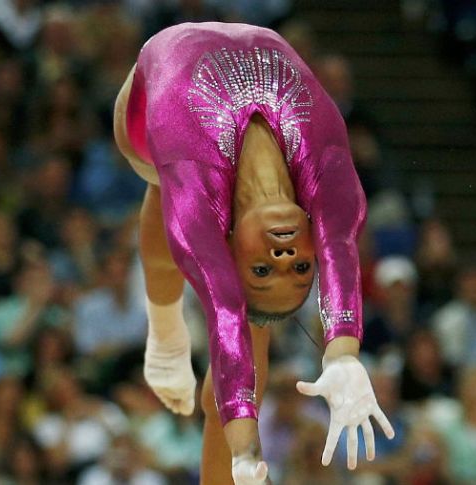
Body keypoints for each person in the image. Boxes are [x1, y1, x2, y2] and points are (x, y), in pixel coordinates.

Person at [113, 22, 394, 485]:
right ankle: (167, 339)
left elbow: (227, 317)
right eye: (302, 267)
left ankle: (166, 339)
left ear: (226, 250)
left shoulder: (197, 196)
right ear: (312, 237)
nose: (283, 258)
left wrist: (243, 454)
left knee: (170, 206)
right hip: (240, 58)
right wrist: (343, 355)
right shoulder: (328, 180)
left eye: (263, 269)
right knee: (169, 198)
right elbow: (342, 252)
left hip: (148, 114)